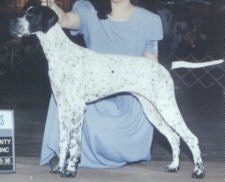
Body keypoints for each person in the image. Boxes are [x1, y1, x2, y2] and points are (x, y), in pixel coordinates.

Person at [40, 0, 163, 168]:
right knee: (63, 93)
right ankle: (63, 152)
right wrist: (51, 4)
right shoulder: (90, 12)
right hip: (94, 93)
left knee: (105, 130)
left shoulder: (150, 20)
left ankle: (115, 150)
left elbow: (152, 69)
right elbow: (65, 20)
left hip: (131, 100)